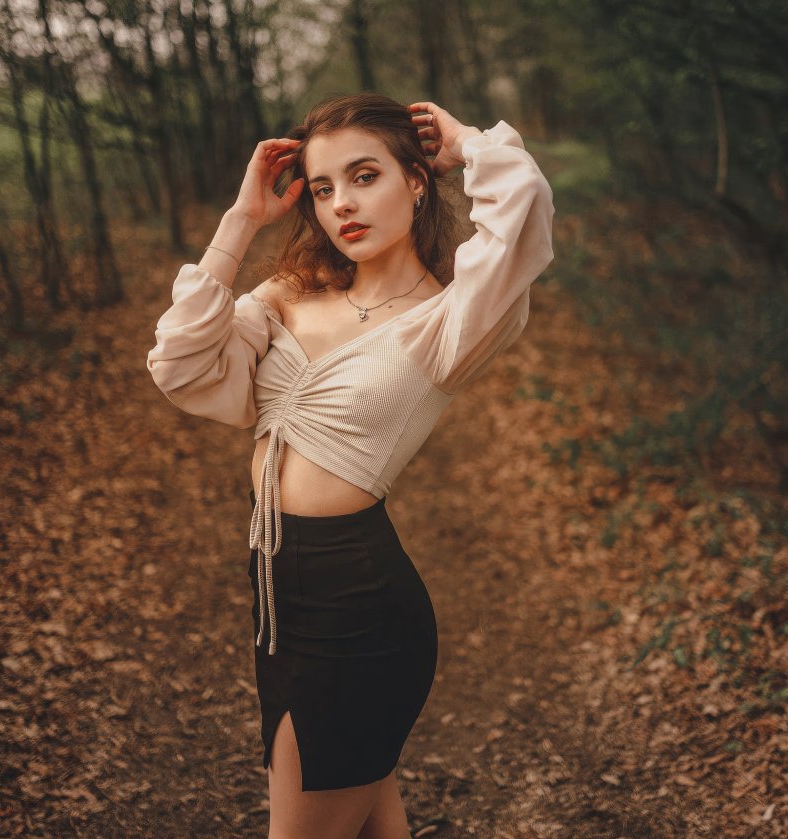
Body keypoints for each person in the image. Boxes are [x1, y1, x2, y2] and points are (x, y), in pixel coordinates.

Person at [146, 93, 554, 839]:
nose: (342, 204)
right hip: (278, 594)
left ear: (417, 181)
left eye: (365, 176)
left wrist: (467, 144)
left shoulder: (448, 321)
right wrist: (241, 222)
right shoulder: (290, 295)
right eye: (325, 187)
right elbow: (180, 365)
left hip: (360, 607)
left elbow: (521, 209)